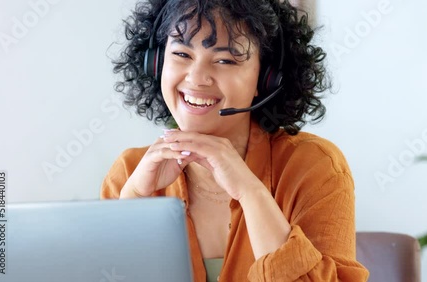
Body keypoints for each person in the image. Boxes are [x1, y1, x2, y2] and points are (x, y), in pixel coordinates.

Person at [101, 0, 369, 281]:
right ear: (157, 64)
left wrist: (250, 192)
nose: (197, 78)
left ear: (266, 79)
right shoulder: (130, 174)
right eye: (181, 53)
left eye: (225, 60)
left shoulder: (314, 167)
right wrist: (133, 205)